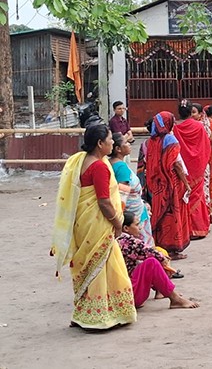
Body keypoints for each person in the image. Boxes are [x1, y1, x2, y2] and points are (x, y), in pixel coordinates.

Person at [51, 124, 137, 329]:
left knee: (93, 265)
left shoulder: (80, 160)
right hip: (98, 224)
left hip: (84, 223)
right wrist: (118, 223)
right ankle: (99, 317)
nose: (113, 143)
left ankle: (85, 313)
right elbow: (104, 201)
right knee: (105, 267)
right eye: (109, 140)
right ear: (100, 144)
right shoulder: (99, 166)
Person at [117, 211, 199, 309]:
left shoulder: (117, 238)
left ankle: (162, 290)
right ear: (126, 228)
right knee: (153, 261)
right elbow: (146, 250)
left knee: (155, 256)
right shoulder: (125, 240)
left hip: (124, 292)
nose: (140, 227)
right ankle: (174, 298)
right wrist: (162, 258)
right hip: (128, 295)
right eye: (137, 224)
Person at [147, 111, 192, 260]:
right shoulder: (170, 139)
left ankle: (161, 245)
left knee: (160, 212)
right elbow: (176, 164)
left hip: (158, 184)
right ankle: (172, 249)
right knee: (172, 214)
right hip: (172, 182)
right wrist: (186, 183)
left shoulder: (152, 141)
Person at [173, 100, 212, 239]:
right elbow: (206, 146)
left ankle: (187, 229)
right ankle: (199, 227)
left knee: (185, 198)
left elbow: (174, 151)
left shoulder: (175, 129)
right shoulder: (199, 126)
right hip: (198, 167)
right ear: (191, 112)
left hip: (183, 169)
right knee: (197, 196)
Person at [110, 132, 153, 247]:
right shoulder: (121, 168)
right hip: (133, 214)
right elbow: (122, 196)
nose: (129, 144)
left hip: (133, 211)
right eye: (125, 142)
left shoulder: (111, 164)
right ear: (118, 149)